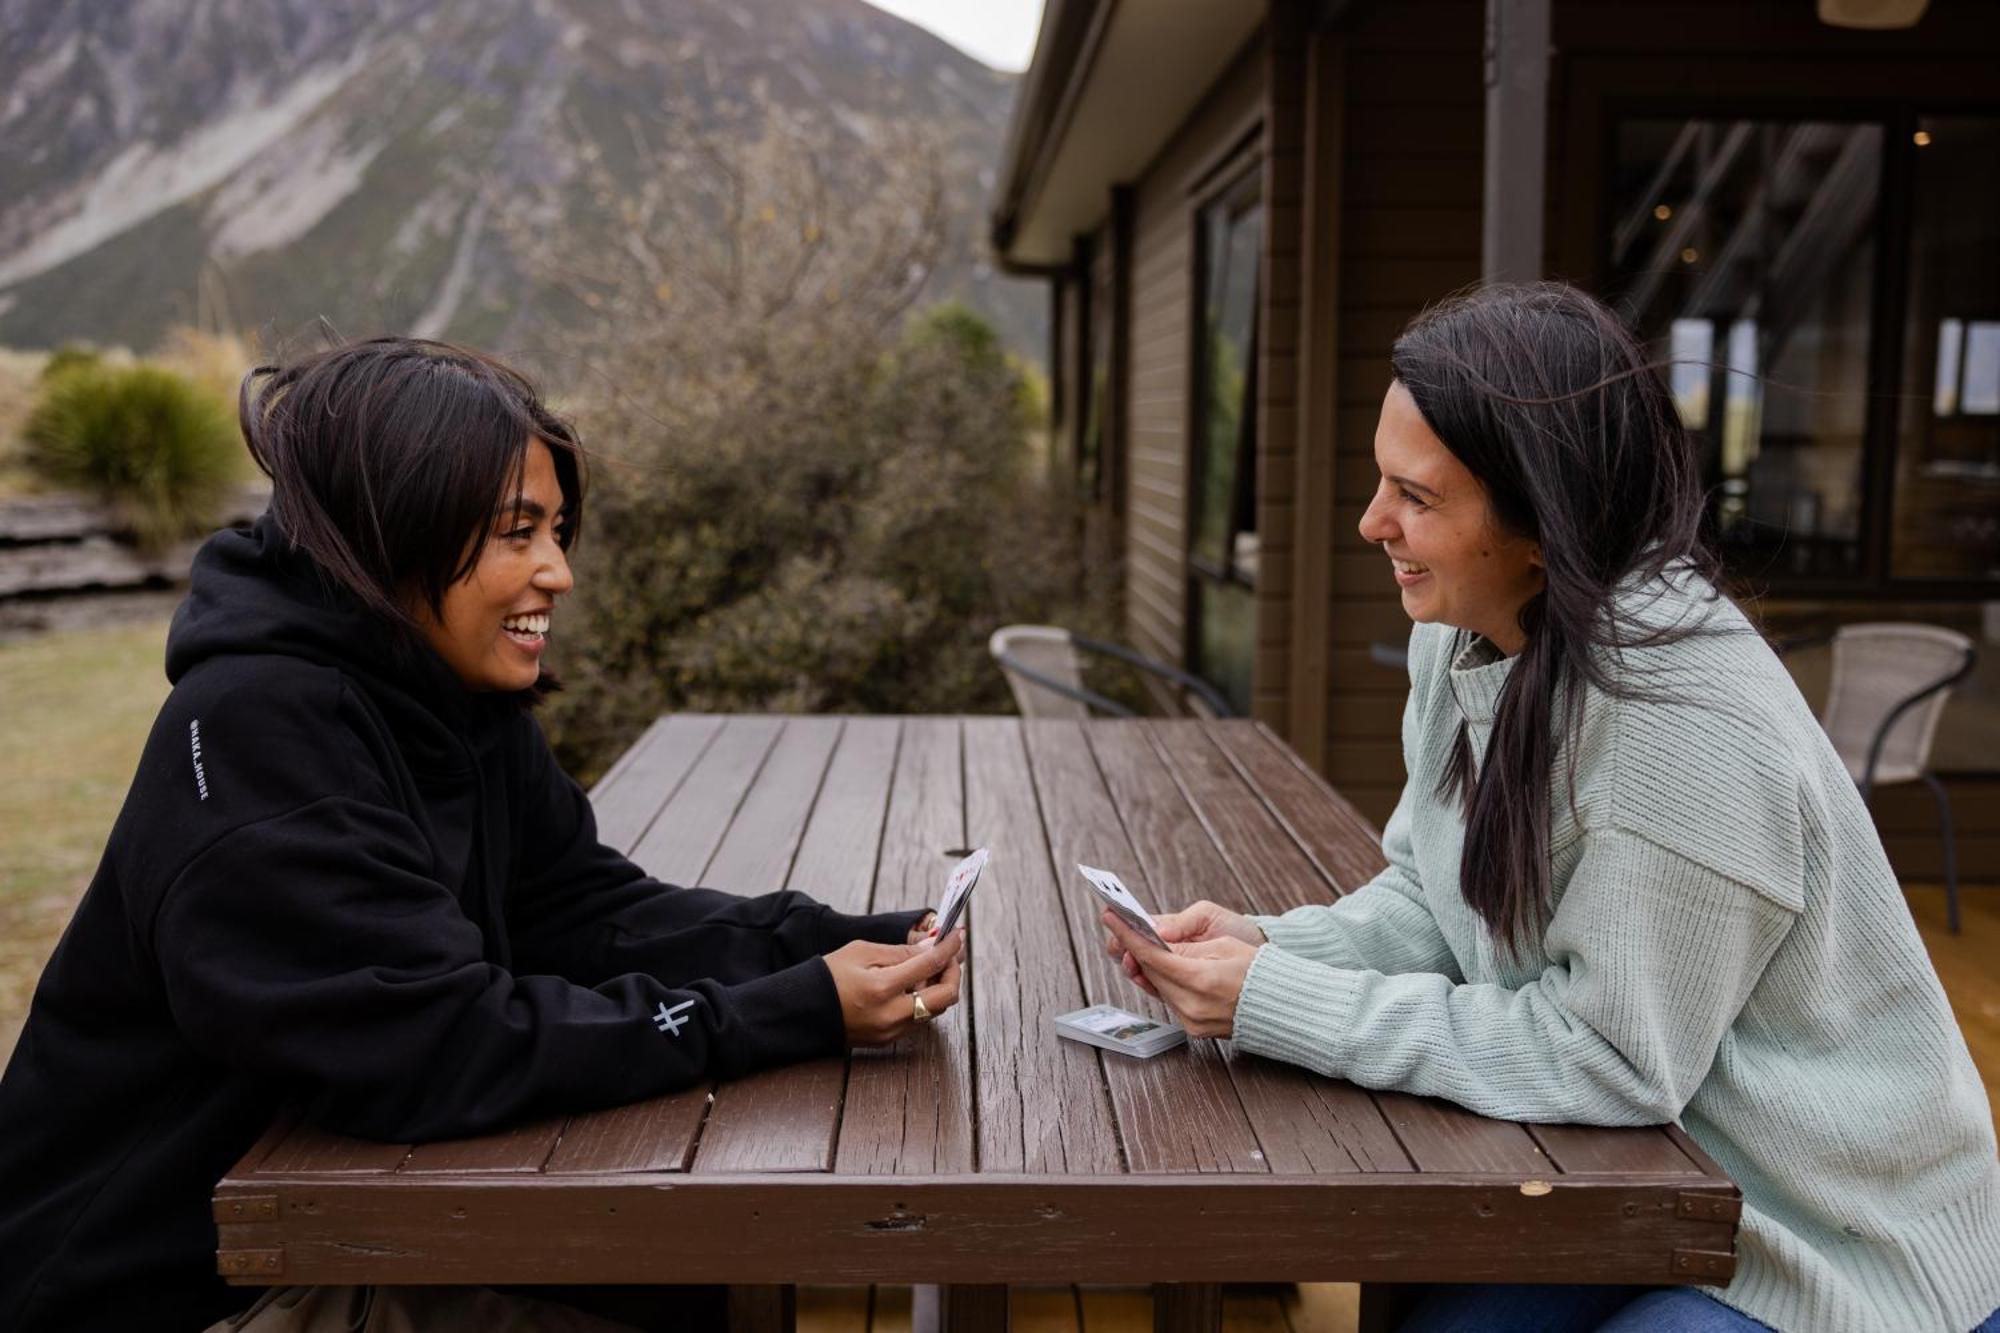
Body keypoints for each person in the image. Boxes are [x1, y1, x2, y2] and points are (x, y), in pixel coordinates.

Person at [0, 337, 964, 1333]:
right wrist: (792, 1008)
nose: (559, 572)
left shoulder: (443, 697)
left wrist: (830, 939)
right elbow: (445, 1047)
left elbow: (582, 910)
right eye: (516, 532)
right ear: (395, 532)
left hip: (340, 1231)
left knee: (696, 1289)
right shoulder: (261, 732)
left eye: (557, 529)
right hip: (182, 1291)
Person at [1103, 284, 2000, 1333]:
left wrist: (1278, 1004)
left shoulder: (1681, 723)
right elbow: (1434, 897)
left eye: (1415, 497)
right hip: (1645, 1176)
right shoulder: (1467, 634)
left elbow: (1611, 1059)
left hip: (1828, 1238)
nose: (1370, 523)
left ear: (1541, 523)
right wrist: (1272, 949)